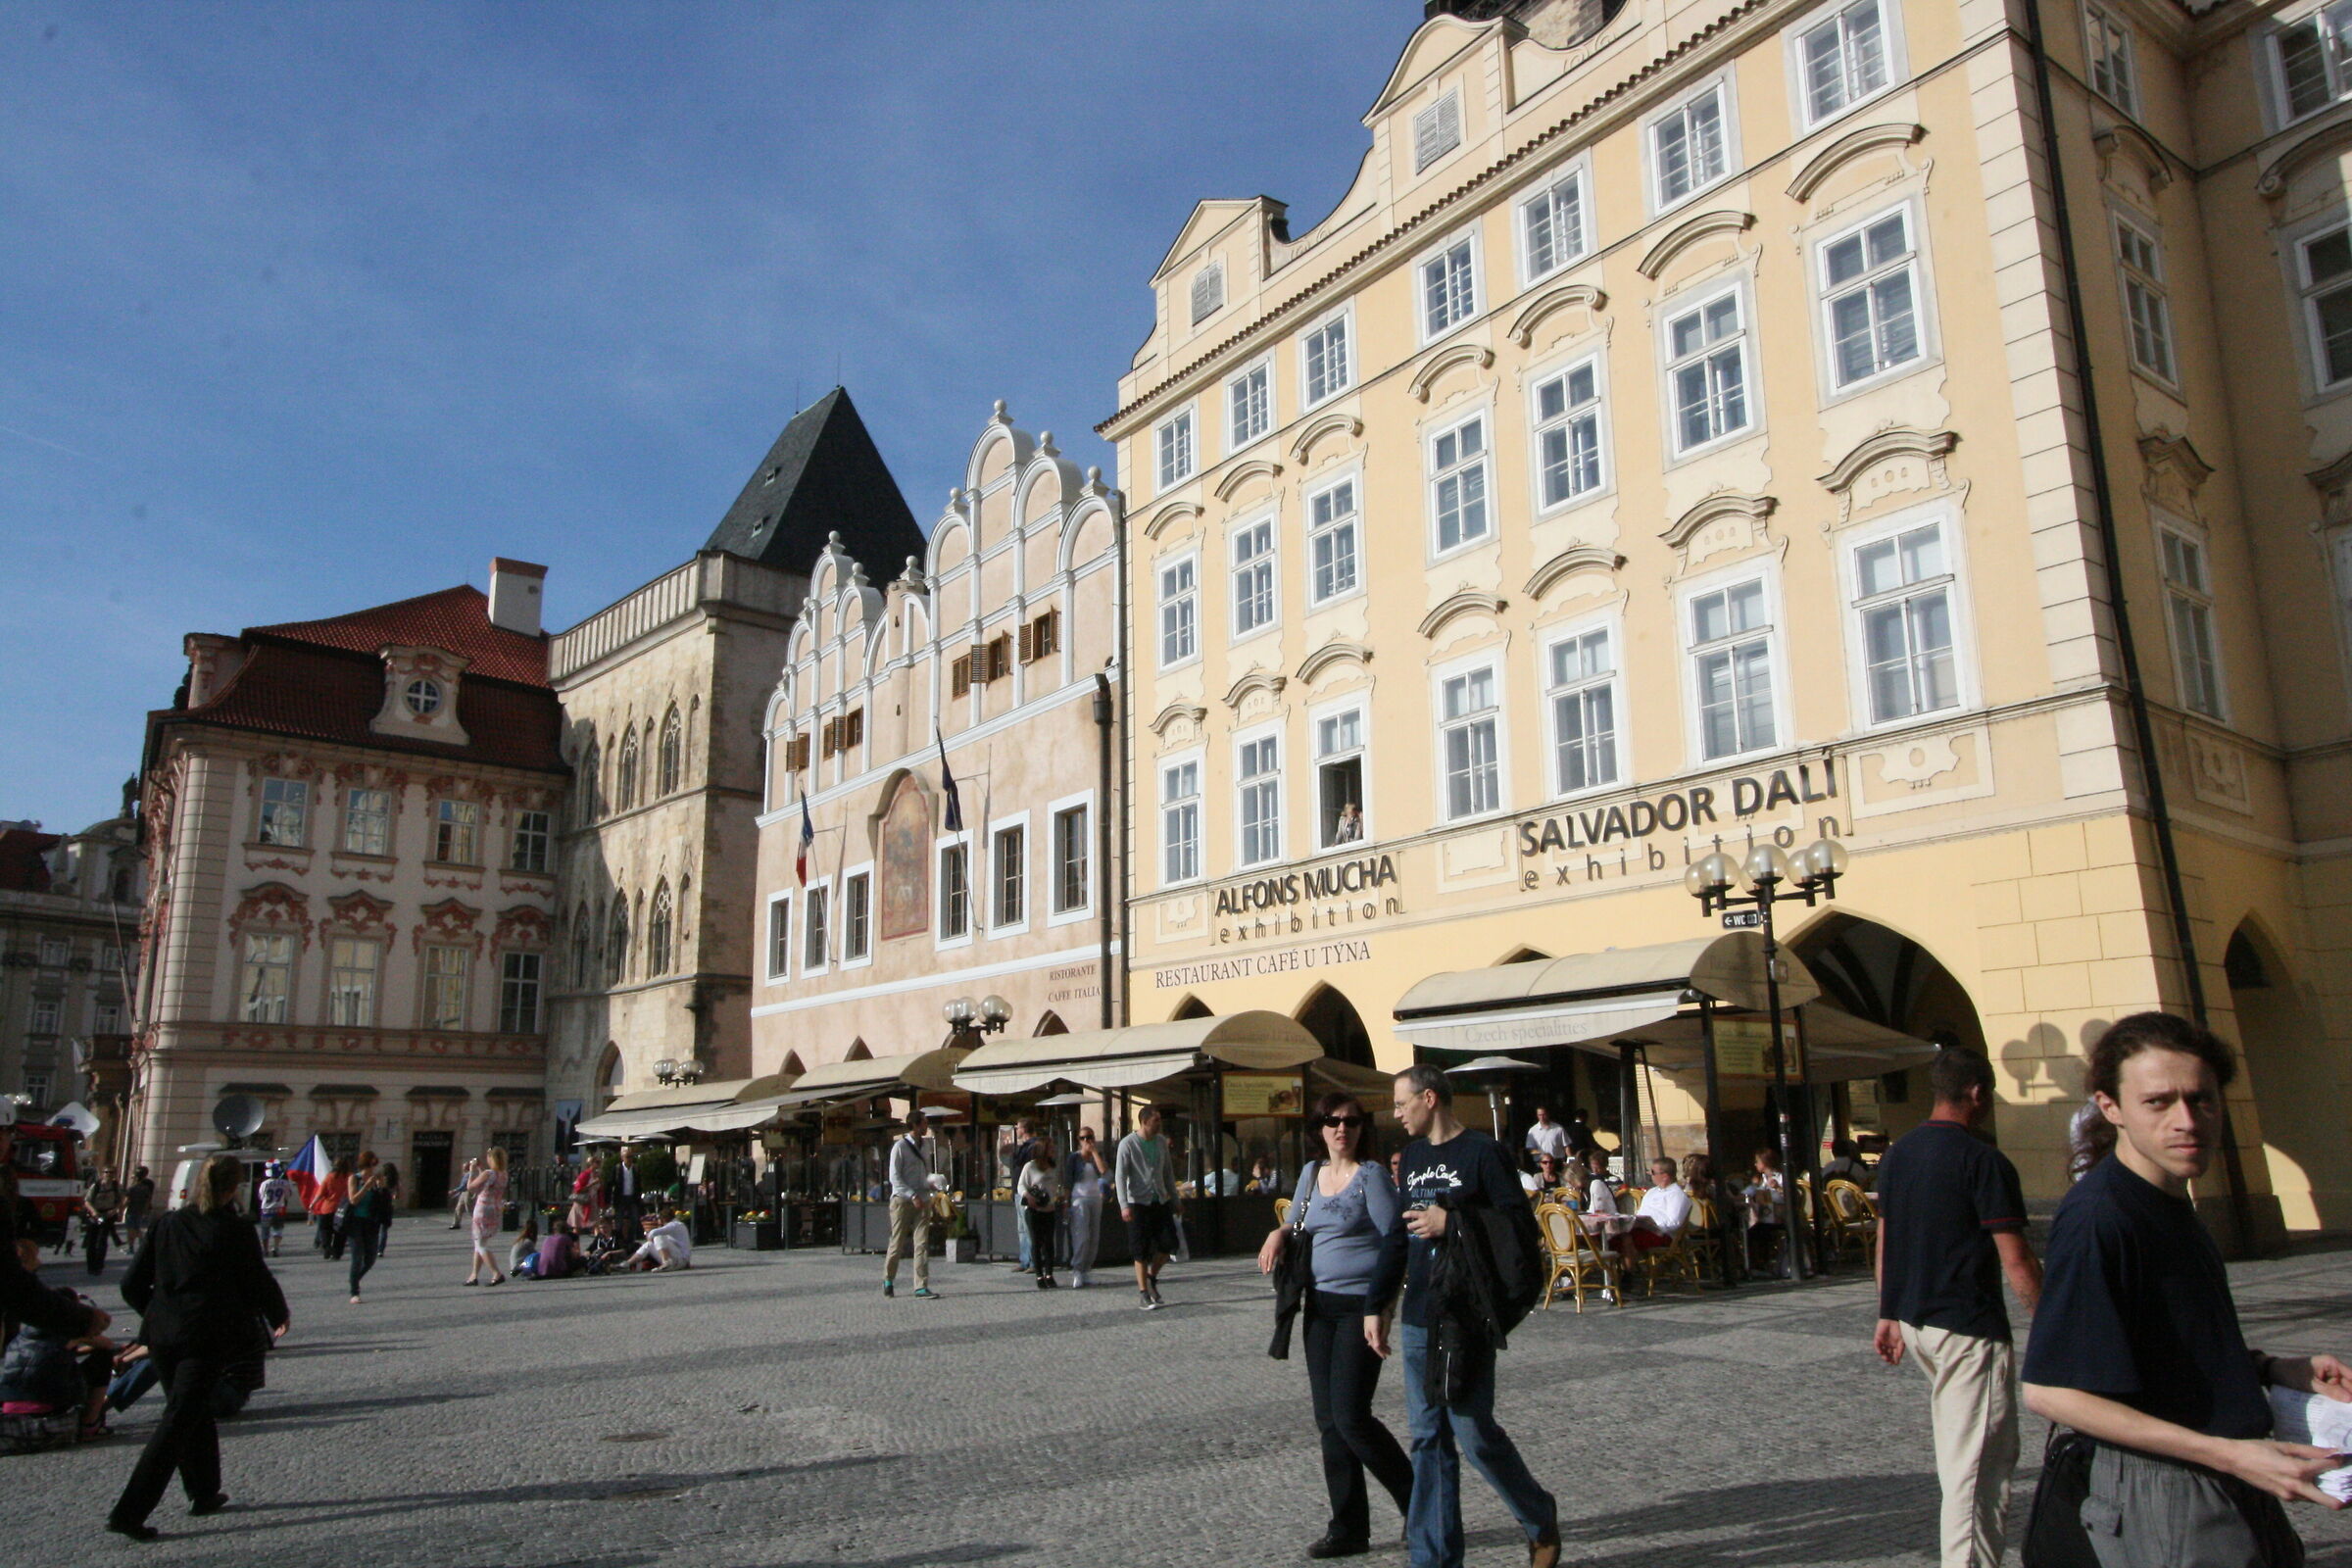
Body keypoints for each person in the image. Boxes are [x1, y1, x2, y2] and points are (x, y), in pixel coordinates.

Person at [2023, 1012, 2352, 1568]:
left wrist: (2272, 1368)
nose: (2187, 1121)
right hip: (2168, 1493)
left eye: (2201, 1100)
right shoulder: (2102, 1217)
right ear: (2111, 1108)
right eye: (2158, 1102)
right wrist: (2228, 1454)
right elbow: (2052, 1392)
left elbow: (2164, 1346)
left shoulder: (2171, 1200)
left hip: (2228, 1479)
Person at [1873, 1047, 2042, 1568]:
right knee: (1977, 1474)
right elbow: (2016, 1260)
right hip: (1969, 1327)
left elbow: (1886, 1237)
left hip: (1918, 1323)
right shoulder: (1983, 1160)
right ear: (1977, 1094)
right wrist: (2055, 1323)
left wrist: (1888, 1310)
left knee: (1962, 1457)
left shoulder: (1899, 1154)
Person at [1389, 1064, 1561, 1568]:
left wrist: (1453, 1222)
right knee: (1426, 1439)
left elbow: (1518, 1232)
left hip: (1465, 1314)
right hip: (1420, 1312)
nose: (1396, 1114)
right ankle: (1435, 1560)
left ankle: (1537, 1514)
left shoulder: (1484, 1153)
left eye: (1402, 1103)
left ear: (1429, 1098)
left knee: (1473, 1434)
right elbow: (1402, 1236)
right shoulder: (1414, 1156)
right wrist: (1381, 1305)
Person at [1257, 1093, 1412, 1560]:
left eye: (1350, 1121)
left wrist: (1382, 1308)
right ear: (1320, 1128)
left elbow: (1395, 1242)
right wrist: (1279, 1231)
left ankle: (1420, 1499)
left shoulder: (1372, 1178)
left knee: (1351, 1415)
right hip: (1319, 1308)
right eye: (1332, 1121)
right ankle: (1348, 1527)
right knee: (1329, 1423)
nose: (1341, 1129)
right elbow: (1299, 1222)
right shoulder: (1311, 1173)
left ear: (1362, 1128)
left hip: (1359, 1307)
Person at [107, 1152, 290, 1542]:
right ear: (233, 1188)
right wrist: (278, 1313)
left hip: (163, 1336)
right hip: (204, 1336)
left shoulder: (167, 1223)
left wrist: (157, 1313)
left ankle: (204, 1492)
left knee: (193, 1409)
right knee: (178, 1419)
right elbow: (256, 1278)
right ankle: (129, 1511)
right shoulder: (234, 1229)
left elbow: (130, 1285)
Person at [1117, 1104, 1181, 1311]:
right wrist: (1124, 1204)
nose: (1159, 1124)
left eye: (1159, 1120)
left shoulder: (1161, 1142)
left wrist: (1176, 1198)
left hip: (1160, 1200)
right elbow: (1120, 1176)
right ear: (1144, 1122)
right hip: (1138, 1203)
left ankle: (1152, 1277)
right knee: (1140, 1249)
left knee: (1169, 1242)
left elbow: (1168, 1173)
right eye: (1156, 1121)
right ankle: (1143, 1292)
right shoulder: (1128, 1144)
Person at [882, 1110, 939, 1300]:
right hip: (902, 1200)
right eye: (924, 1123)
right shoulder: (899, 1147)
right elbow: (894, 1178)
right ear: (915, 1125)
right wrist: (911, 1194)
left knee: (921, 1243)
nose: (927, 1126)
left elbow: (926, 1171)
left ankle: (921, 1286)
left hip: (922, 1198)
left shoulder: (925, 1146)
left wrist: (930, 1183)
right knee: (897, 1243)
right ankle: (888, 1279)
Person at [1614, 1156, 1690, 1266]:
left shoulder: (1677, 1195)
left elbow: (1674, 1223)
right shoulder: (1652, 1192)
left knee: (1626, 1238)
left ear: (1665, 1176)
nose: (1650, 1174)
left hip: (1662, 1235)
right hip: (1644, 1229)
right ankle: (1619, 1271)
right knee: (1614, 1235)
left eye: (1653, 1172)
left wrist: (1651, 1223)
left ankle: (1627, 1273)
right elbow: (1640, 1214)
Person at [1064, 1128, 1109, 1289]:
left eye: (1089, 1137)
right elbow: (1068, 1181)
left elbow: (1104, 1171)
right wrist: (1066, 1202)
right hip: (1079, 1198)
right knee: (1081, 1235)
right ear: (1078, 1140)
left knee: (1094, 1236)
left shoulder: (1097, 1156)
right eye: (1083, 1138)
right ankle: (1077, 1269)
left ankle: (1086, 1270)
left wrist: (1094, 1153)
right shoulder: (1074, 1158)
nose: (1086, 1141)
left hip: (1095, 1198)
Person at [345, 1153, 391, 1304]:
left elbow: (384, 1202)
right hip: (355, 1222)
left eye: (375, 1165)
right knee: (357, 1256)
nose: (373, 1169)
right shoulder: (355, 1178)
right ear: (364, 1166)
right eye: (371, 1165)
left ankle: (354, 1278)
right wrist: (366, 1186)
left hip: (371, 1222)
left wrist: (382, 1186)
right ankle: (354, 1292)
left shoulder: (376, 1181)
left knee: (371, 1258)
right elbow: (353, 1200)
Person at [1018, 1137, 1064, 1290]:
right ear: (1043, 1150)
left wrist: (1059, 1197)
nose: (1053, 1151)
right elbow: (1020, 1185)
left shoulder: (1053, 1167)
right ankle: (1039, 1275)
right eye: (1050, 1148)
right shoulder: (1030, 1167)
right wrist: (1028, 1195)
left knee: (1049, 1243)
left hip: (1049, 1209)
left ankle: (1049, 1274)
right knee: (1036, 1243)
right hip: (1034, 1210)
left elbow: (1056, 1186)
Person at [464, 1146, 509, 1286]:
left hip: (483, 1209)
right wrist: (480, 1170)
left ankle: (496, 1273)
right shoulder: (503, 1174)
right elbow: (489, 1183)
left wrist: (471, 1172)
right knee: (480, 1242)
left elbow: (470, 1187)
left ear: (491, 1159)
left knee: (481, 1244)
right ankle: (474, 1275)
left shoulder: (489, 1173)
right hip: (495, 1209)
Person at [1742, 1146, 1788, 1274]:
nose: (1755, 1164)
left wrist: (1778, 1188)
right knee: (1751, 1232)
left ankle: (1763, 1262)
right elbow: (1747, 1192)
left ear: (1765, 1162)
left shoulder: (1780, 1177)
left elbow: (1792, 1197)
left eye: (1757, 1161)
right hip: (1765, 1217)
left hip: (1779, 1217)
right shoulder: (1760, 1179)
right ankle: (1759, 1263)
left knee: (1756, 1232)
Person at [1004, 1119, 1040, 1273]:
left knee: (1029, 1227)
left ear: (1024, 1129)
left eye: (1018, 1127)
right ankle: (1024, 1260)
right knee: (1021, 1228)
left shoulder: (1033, 1146)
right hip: (1019, 1191)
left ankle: (1033, 1261)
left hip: (1027, 1191)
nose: (1016, 1130)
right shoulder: (1024, 1147)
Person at [619, 1210, 692, 1272]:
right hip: (676, 1259)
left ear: (663, 1219)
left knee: (658, 1236)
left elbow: (653, 1233)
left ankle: (666, 1262)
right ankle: (627, 1264)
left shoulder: (675, 1225)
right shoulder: (675, 1225)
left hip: (681, 1260)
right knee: (649, 1244)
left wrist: (649, 1235)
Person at [310, 1154, 352, 1258]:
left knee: (325, 1229)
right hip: (344, 1208)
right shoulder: (351, 1177)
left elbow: (321, 1193)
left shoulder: (330, 1177)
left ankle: (327, 1248)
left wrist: (313, 1203)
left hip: (328, 1207)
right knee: (341, 1232)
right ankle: (337, 1253)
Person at [254, 1164, 296, 1257]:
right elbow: (288, 1195)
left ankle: (265, 1250)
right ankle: (276, 1248)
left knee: (265, 1231)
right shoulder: (284, 1183)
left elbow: (261, 1196)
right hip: (279, 1209)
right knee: (278, 1230)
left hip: (266, 1210)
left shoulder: (264, 1183)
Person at [120, 1167, 155, 1253]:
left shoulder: (132, 1188)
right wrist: (145, 1211)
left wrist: (121, 1210)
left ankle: (133, 1247)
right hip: (142, 1211)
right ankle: (141, 1244)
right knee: (138, 1228)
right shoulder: (148, 1185)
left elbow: (127, 1201)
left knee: (131, 1230)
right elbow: (148, 1199)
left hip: (132, 1211)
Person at [567, 1158, 603, 1231]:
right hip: (582, 1203)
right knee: (577, 1226)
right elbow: (578, 1190)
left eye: (599, 1163)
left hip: (593, 1202)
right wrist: (592, 1184)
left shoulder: (598, 1175)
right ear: (591, 1163)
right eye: (597, 1163)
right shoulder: (585, 1174)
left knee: (596, 1224)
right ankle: (575, 1241)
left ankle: (598, 1241)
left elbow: (600, 1190)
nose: (599, 1165)